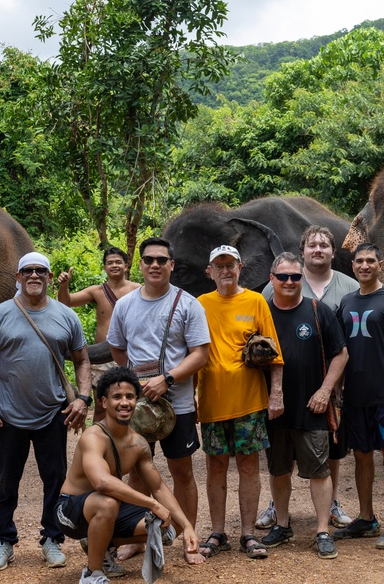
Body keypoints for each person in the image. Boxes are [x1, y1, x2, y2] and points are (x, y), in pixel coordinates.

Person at [0, 251, 91, 572]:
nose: (34, 276)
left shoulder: (66, 315)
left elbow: (81, 360)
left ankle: (52, 539)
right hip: (8, 414)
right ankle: (4, 541)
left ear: (50, 278)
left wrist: (83, 397)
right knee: (7, 481)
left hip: (53, 414)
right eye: (27, 271)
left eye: (40, 271)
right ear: (18, 278)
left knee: (55, 479)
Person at [56, 366, 200, 584]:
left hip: (105, 510)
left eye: (130, 397)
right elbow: (101, 482)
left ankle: (102, 548)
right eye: (117, 397)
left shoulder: (138, 443)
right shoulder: (93, 436)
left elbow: (159, 487)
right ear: (103, 401)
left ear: (138, 400)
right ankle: (92, 576)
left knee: (168, 525)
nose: (124, 403)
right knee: (108, 501)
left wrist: (187, 526)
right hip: (70, 512)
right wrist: (153, 504)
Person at [105, 236, 210, 565]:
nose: (155, 265)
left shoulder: (188, 304)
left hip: (176, 405)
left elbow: (200, 354)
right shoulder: (124, 305)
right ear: (140, 264)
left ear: (171, 266)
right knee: (136, 472)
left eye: (161, 260)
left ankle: (186, 538)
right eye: (148, 259)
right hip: (136, 410)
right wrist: (134, 384)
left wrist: (168, 379)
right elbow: (118, 349)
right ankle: (137, 538)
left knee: (182, 472)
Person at [259, 225, 359, 530]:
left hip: (325, 391)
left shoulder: (346, 290)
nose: (289, 282)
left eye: (324, 244)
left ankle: (326, 519)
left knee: (326, 458)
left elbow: (342, 350)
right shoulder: (262, 303)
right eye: (283, 277)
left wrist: (328, 390)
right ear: (273, 279)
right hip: (276, 401)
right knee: (279, 466)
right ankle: (280, 518)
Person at [197, 245, 284, 560]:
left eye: (230, 265)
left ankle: (248, 533)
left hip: (249, 401)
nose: (225, 271)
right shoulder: (200, 304)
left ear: (240, 267)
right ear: (210, 271)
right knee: (215, 466)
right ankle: (217, 532)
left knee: (249, 465)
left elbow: (274, 353)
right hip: (211, 402)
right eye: (218, 265)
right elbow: (192, 352)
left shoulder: (256, 300)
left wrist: (277, 393)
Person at [333, 243, 384, 550]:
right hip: (356, 396)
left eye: (371, 260)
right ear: (352, 266)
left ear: (380, 264)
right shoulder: (346, 301)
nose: (365, 265)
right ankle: (366, 518)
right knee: (361, 455)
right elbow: (341, 350)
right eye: (360, 261)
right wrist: (338, 388)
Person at [57, 247, 141, 424]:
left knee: (131, 404)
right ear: (104, 268)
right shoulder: (96, 291)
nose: (114, 265)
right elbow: (67, 302)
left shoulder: (139, 290)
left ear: (126, 266)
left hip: (130, 355)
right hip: (101, 359)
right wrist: (64, 286)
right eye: (110, 263)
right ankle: (98, 444)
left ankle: (127, 446)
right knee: (101, 404)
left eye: (118, 262)